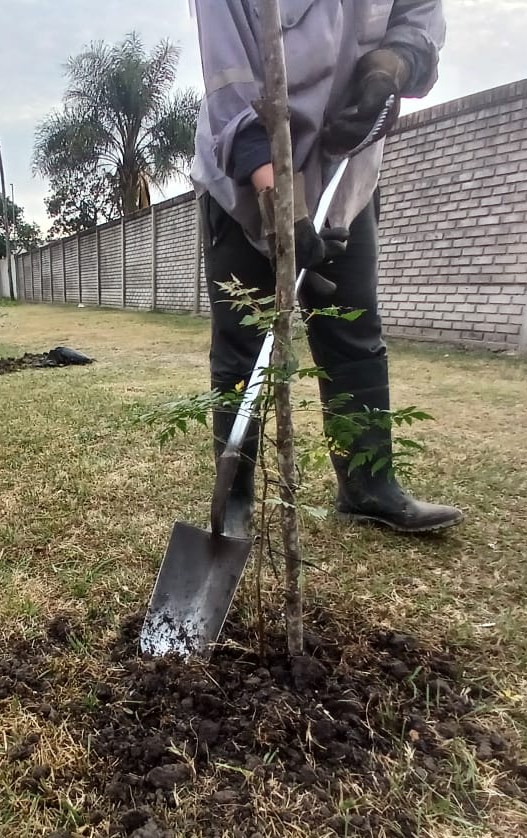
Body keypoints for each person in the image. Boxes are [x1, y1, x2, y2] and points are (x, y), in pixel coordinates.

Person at [191, 0, 464, 537]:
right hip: (248, 179)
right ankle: (237, 501)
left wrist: (394, 63)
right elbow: (229, 87)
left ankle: (368, 486)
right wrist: (280, 204)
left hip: (346, 173)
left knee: (353, 336)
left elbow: (419, 18)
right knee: (243, 344)